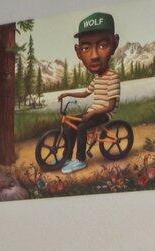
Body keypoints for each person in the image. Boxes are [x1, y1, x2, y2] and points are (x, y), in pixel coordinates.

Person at [51, 11, 123, 173]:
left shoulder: (112, 77)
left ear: (114, 44)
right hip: (95, 111)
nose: (95, 56)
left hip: (104, 113)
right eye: (86, 48)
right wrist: (67, 94)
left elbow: (111, 106)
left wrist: (92, 113)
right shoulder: (97, 79)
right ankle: (67, 157)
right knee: (70, 126)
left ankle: (80, 160)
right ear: (78, 51)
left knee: (82, 127)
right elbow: (85, 94)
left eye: (102, 45)